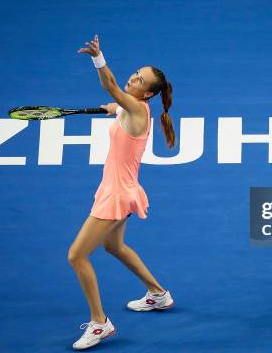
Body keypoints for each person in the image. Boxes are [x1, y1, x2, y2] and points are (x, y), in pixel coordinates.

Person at [68, 35, 176, 350]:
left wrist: (98, 59)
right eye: (135, 73)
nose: (133, 78)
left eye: (139, 80)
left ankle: (100, 323)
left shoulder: (139, 110)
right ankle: (158, 294)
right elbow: (115, 103)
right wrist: (111, 108)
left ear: (149, 93)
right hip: (124, 190)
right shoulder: (134, 108)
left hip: (116, 194)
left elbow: (111, 88)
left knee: (76, 256)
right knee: (114, 247)